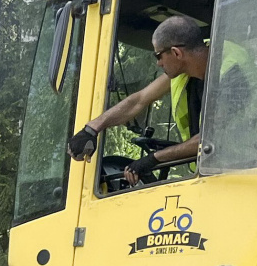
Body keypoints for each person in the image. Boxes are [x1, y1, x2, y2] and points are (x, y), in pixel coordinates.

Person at [68, 14, 211, 185]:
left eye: (158, 56)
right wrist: (92, 128)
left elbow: (210, 140)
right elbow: (140, 100)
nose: (158, 63)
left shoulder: (230, 72)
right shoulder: (187, 70)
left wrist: (153, 159)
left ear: (176, 53)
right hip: (210, 174)